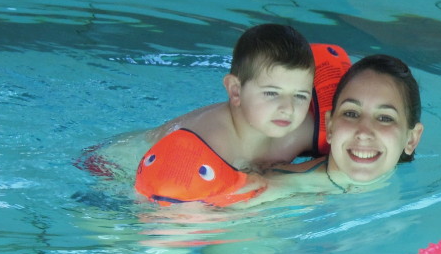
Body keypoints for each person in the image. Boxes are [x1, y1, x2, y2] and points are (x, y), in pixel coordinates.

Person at [133, 23, 340, 206]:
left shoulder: (301, 131)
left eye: (300, 96)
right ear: (235, 91)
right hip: (124, 166)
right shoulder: (211, 146)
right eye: (271, 93)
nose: (289, 108)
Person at [249, 53, 425, 202]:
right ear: (330, 127)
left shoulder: (415, 189)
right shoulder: (271, 191)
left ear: (412, 139)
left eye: (385, 118)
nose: (364, 133)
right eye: (351, 113)